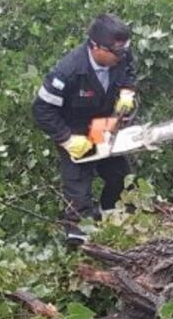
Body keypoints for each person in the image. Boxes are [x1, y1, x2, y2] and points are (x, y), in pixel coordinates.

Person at [32, 14, 138, 244]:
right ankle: (78, 247)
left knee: (121, 178)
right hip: (75, 130)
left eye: (123, 52)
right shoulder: (68, 71)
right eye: (116, 54)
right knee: (78, 196)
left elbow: (129, 70)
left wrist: (126, 94)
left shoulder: (121, 53)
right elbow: (42, 110)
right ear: (95, 46)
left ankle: (112, 223)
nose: (120, 58)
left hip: (104, 125)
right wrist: (67, 139)